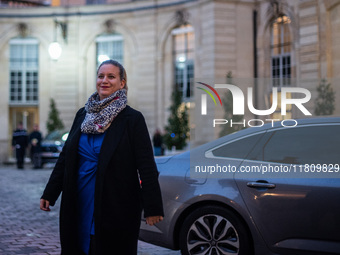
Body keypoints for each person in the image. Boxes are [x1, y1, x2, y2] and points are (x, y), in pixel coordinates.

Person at [40, 59, 164, 255]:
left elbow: (146, 165)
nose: (104, 80)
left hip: (116, 202)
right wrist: (50, 192)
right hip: (78, 196)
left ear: (122, 83)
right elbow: (66, 157)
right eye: (101, 76)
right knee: (78, 246)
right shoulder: (83, 114)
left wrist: (153, 207)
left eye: (111, 76)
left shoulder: (132, 119)